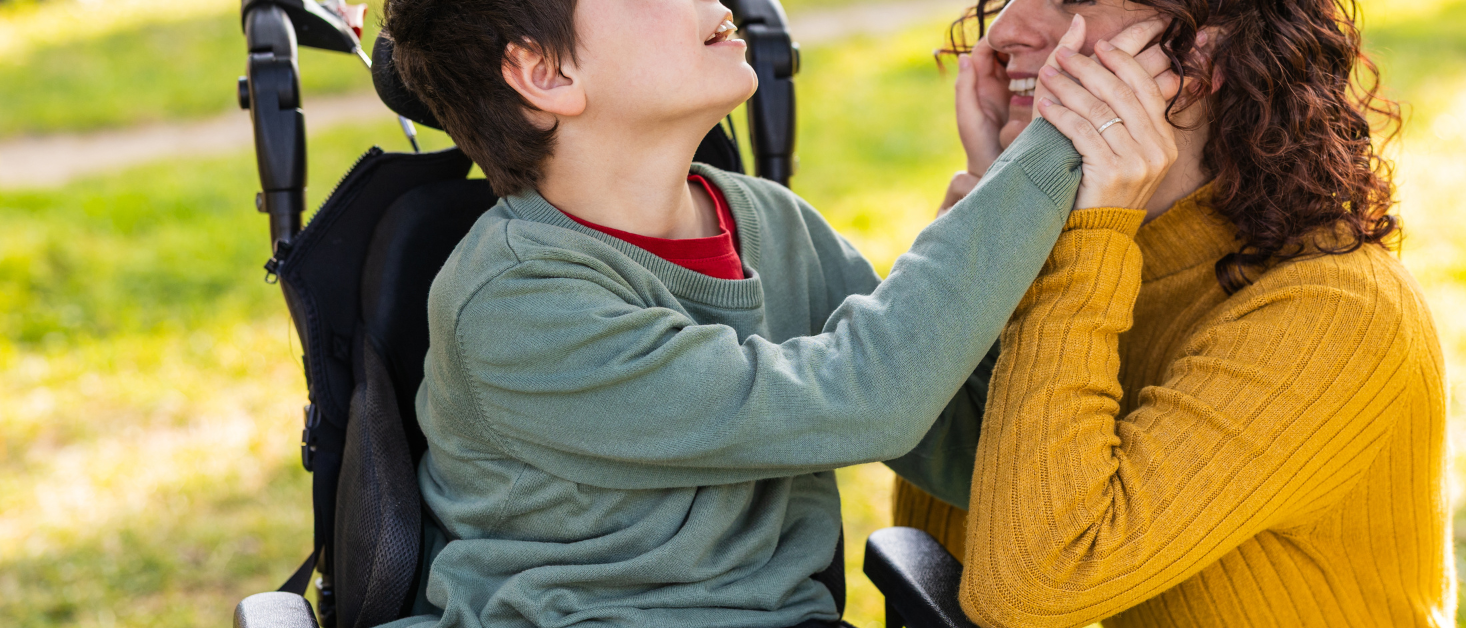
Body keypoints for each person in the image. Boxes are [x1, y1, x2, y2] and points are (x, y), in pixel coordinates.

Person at [375, 0, 1180, 626]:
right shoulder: (515, 305)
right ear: (546, 74)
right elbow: (863, 396)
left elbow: (964, 445)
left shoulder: (769, 223)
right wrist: (1062, 142)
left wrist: (995, 184)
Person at [894, 0, 1452, 626]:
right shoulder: (1095, 258)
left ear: (1197, 59)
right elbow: (944, 552)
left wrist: (1075, 235)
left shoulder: (1336, 316)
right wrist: (997, 215)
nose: (1003, 33)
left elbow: (1029, 587)